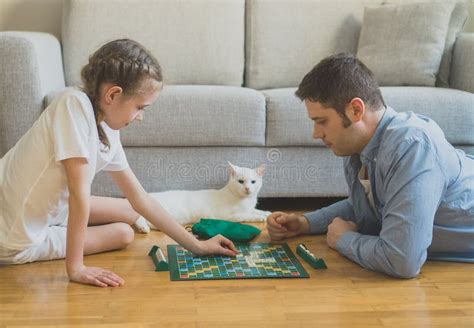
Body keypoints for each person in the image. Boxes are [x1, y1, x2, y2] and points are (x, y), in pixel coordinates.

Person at [0, 39, 238, 287]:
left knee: (131, 210)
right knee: (124, 233)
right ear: (113, 95)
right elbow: (78, 195)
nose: (140, 117)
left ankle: (65, 223)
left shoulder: (107, 129)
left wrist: (197, 246)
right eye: (139, 107)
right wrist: (76, 267)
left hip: (47, 209)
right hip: (15, 235)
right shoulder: (73, 105)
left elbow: (140, 199)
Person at [267, 53, 474, 278]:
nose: (316, 134)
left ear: (355, 110)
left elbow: (402, 260)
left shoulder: (412, 147)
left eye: (322, 121)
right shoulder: (357, 145)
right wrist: (304, 223)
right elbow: (370, 207)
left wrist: (343, 239)